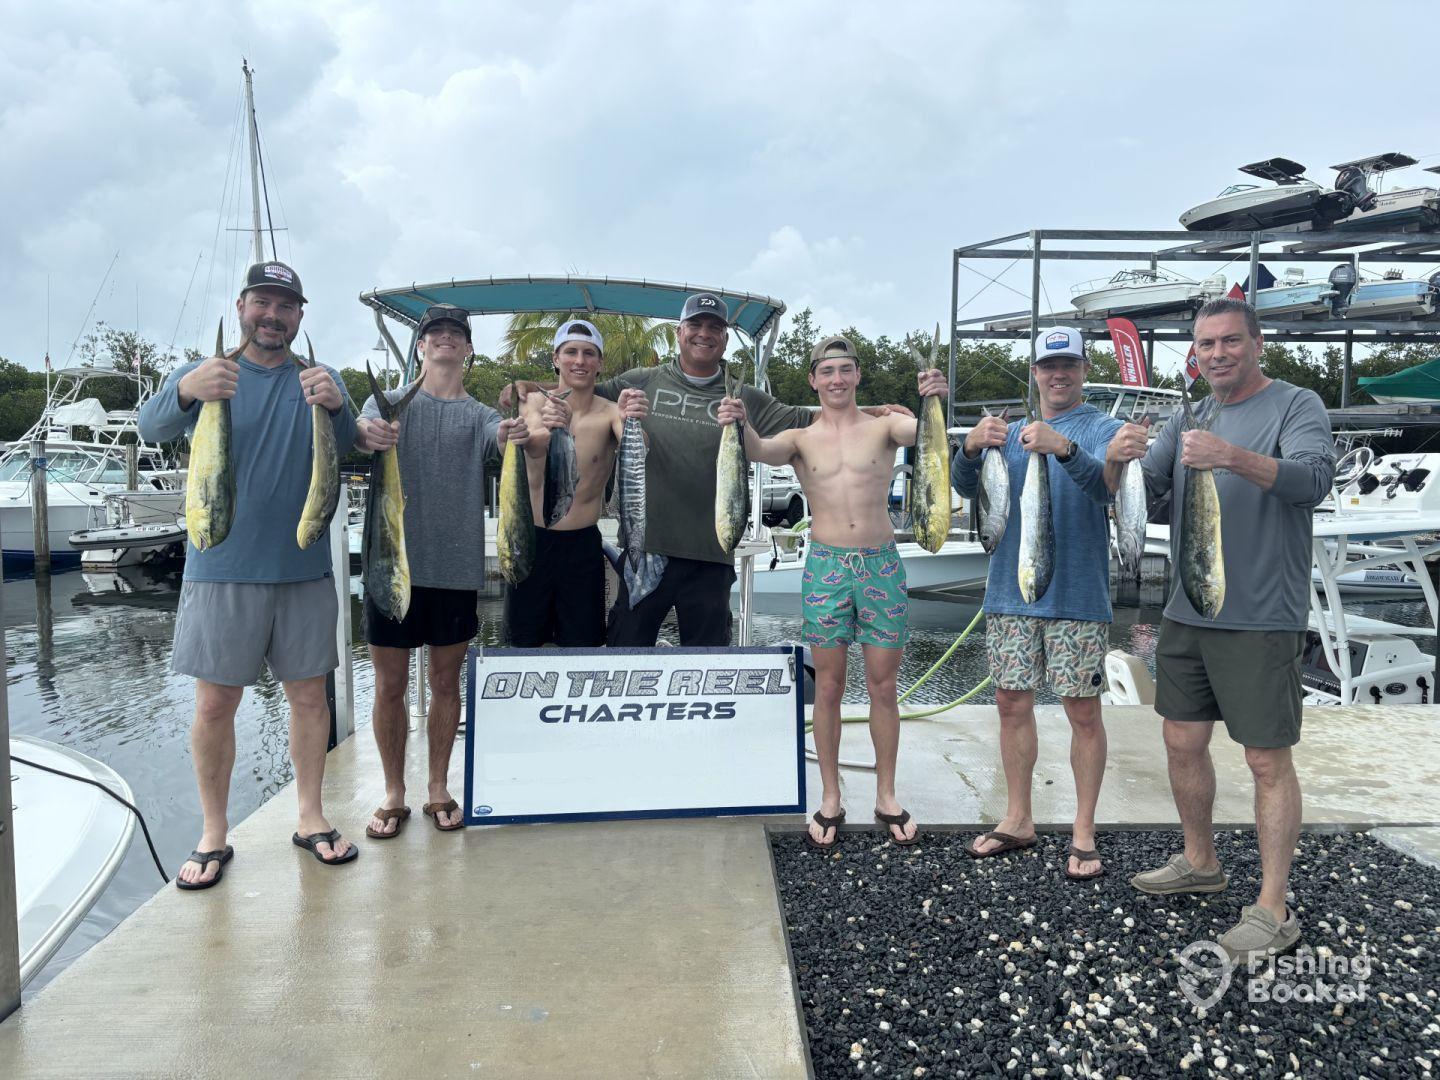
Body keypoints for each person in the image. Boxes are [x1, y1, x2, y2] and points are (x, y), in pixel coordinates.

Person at [1110, 298, 1334, 962]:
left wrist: (1231, 456)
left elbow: (1313, 481)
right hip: (1187, 608)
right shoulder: (1188, 416)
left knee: (1266, 760)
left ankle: (1273, 908)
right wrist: (1118, 459)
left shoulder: (1296, 404)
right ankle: (1200, 861)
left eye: (1230, 341)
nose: (1217, 354)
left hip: (1261, 614)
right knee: (1181, 741)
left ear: (1257, 344)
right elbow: (1143, 489)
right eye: (1206, 344)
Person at [138, 260, 360, 886]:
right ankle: (214, 831)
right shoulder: (209, 374)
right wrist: (187, 390)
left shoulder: (319, 378)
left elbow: (346, 444)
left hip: (303, 568)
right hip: (221, 567)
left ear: (299, 315)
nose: (272, 315)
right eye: (262, 302)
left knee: (309, 699)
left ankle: (311, 816)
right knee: (215, 705)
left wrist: (338, 405)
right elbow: (150, 426)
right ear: (241, 307)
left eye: (285, 306)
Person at [718, 336, 948, 847]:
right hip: (825, 567)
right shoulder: (799, 439)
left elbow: (924, 434)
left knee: (884, 686)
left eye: (846, 370)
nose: (837, 379)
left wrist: (933, 395)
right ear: (813, 380)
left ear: (858, 375)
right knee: (827, 686)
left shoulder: (886, 427)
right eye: (828, 371)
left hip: (881, 565)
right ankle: (830, 796)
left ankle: (886, 795)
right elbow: (757, 449)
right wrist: (738, 419)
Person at [951, 327, 1123, 881]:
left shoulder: (1104, 429)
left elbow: (1108, 490)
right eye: (1049, 366)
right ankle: (1018, 816)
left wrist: (1065, 449)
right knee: (1010, 704)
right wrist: (970, 448)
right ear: (1035, 373)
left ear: (1084, 369)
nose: (1059, 374)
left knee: (1082, 711)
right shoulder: (1010, 434)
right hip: (1010, 592)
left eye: (1069, 364)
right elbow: (966, 487)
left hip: (1078, 595)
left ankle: (1083, 829)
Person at [355, 304, 534, 835]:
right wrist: (369, 432)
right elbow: (362, 432)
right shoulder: (385, 403)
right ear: (420, 346)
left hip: (454, 570)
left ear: (469, 349)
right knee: (388, 685)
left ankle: (437, 786)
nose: (445, 339)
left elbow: (499, 438)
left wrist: (518, 431)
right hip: (391, 564)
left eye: (456, 333)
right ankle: (393, 791)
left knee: (445, 682)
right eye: (435, 333)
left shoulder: (480, 415)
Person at [503, 319, 649, 647]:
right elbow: (531, 446)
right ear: (556, 358)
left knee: (582, 648)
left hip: (581, 547)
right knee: (522, 646)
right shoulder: (531, 403)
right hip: (529, 541)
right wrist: (547, 429)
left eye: (588, 353)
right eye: (571, 352)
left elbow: (640, 449)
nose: (579, 361)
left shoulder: (610, 413)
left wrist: (633, 419)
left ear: (600, 363)